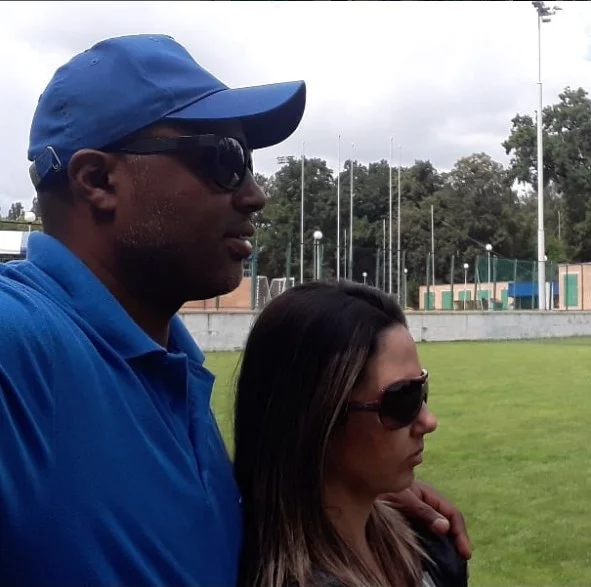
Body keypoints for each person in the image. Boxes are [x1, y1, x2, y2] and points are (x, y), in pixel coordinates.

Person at [0, 34, 469, 587]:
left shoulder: (166, 361)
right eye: (225, 160)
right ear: (99, 181)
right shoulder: (22, 342)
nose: (254, 194)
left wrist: (354, 499)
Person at [234, 281, 468, 587]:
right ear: (319, 420)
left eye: (421, 390)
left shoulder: (429, 546)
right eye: (402, 399)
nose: (429, 421)